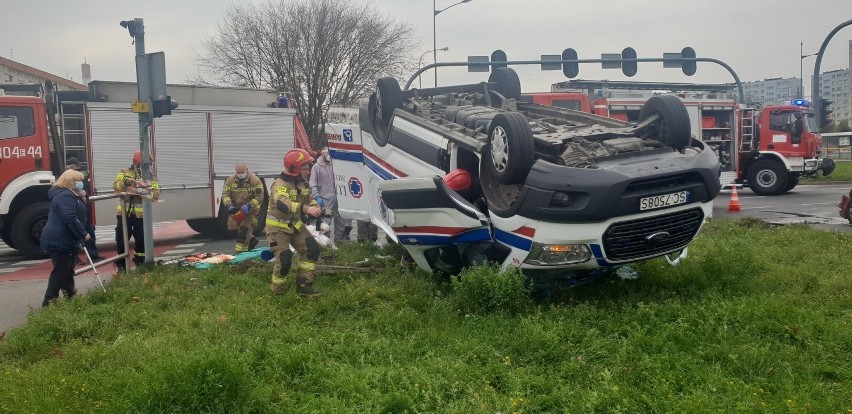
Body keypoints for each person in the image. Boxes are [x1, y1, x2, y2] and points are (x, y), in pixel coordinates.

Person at [266, 149, 322, 297]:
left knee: (312, 249)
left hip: (294, 225)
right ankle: (278, 292)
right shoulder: (280, 184)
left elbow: (309, 199)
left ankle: (304, 286)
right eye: (304, 168)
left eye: (308, 167)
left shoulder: (302, 183)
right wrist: (306, 209)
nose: (308, 171)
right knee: (285, 259)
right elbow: (282, 204)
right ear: (294, 169)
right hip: (278, 228)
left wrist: (316, 207)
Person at [40, 169, 90, 307]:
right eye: (78, 181)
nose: (81, 183)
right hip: (59, 239)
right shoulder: (65, 196)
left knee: (67, 269)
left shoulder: (70, 194)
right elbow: (70, 218)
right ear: (70, 182)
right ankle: (49, 301)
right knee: (61, 270)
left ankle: (70, 295)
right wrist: (83, 233)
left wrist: (82, 198)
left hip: (65, 238)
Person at [113, 150, 160, 272]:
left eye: (149, 164)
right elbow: (115, 186)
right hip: (124, 214)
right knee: (122, 239)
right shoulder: (124, 172)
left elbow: (155, 195)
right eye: (146, 164)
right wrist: (125, 183)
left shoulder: (150, 176)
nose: (148, 166)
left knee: (141, 240)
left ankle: (140, 262)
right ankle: (121, 266)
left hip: (141, 215)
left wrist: (140, 191)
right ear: (138, 163)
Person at [66, 157, 105, 263]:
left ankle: (93, 255)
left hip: (84, 210)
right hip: (77, 210)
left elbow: (85, 190)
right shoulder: (66, 179)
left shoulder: (80, 177)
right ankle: (73, 257)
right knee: (75, 234)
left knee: (90, 233)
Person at [221, 162, 264, 253]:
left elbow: (259, 196)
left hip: (250, 211)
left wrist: (249, 205)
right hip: (236, 210)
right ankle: (252, 240)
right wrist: (228, 205)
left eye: (242, 172)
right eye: (238, 173)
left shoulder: (255, 180)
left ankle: (241, 254)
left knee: (243, 232)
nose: (240, 175)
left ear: (247, 170)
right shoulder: (230, 180)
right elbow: (225, 194)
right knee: (232, 230)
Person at [308, 146, 346, 245]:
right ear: (322, 153)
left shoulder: (335, 165)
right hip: (325, 201)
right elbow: (312, 183)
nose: (328, 155)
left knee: (340, 221)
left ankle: (340, 242)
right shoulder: (317, 167)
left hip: (337, 200)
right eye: (326, 153)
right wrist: (317, 196)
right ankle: (324, 243)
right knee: (325, 223)